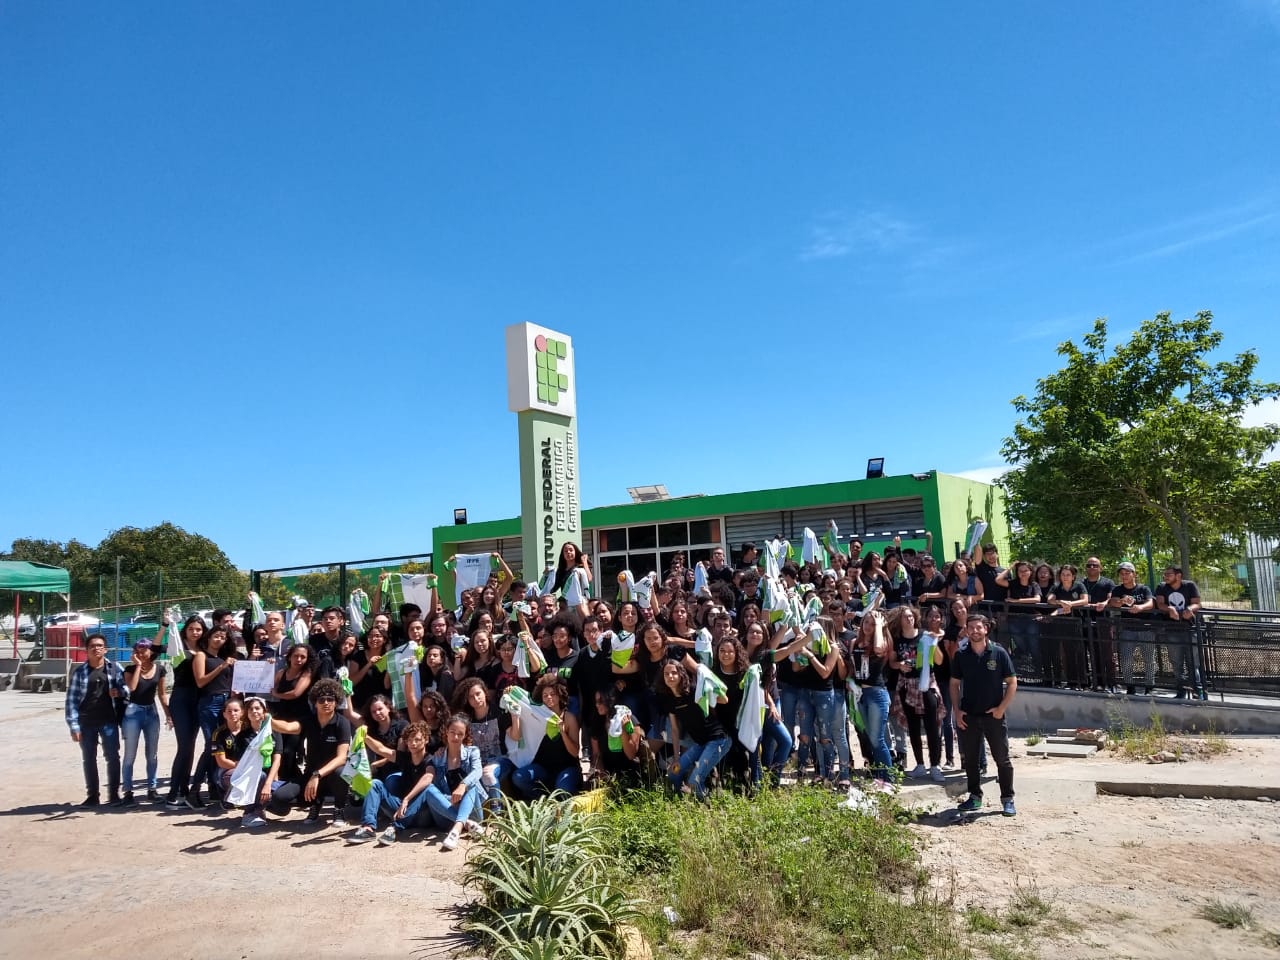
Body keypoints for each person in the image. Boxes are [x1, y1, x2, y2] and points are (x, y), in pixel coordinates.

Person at [950, 615, 1018, 816]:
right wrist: (956, 710)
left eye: (978, 627)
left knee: (1002, 759)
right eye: (970, 628)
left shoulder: (998, 653)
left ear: (986, 629)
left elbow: (1012, 682)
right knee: (971, 760)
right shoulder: (961, 655)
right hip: (969, 715)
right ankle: (974, 797)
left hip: (994, 716)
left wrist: (1001, 709)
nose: (974, 631)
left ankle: (1007, 799)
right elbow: (954, 684)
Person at [270, 678, 353, 826]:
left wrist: (317, 774)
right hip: (311, 774)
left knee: (341, 772)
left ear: (336, 701)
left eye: (330, 699)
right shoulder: (309, 720)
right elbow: (288, 727)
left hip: (331, 774)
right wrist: (267, 719)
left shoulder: (342, 723)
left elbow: (342, 758)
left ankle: (339, 809)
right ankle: (315, 804)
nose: (326, 703)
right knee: (279, 797)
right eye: (321, 700)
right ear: (315, 702)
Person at [347, 720, 436, 846]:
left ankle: (394, 828)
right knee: (375, 784)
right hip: (401, 809)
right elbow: (381, 749)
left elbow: (428, 777)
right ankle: (368, 828)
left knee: (428, 789)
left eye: (417, 740)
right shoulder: (405, 757)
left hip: (422, 814)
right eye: (410, 740)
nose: (413, 743)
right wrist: (364, 736)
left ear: (426, 740)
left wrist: (407, 798)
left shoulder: (430, 760)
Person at [65, 633, 128, 807]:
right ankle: (93, 795)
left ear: (105, 649)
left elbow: (128, 689)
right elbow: (71, 701)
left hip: (109, 721)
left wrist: (120, 692)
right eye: (92, 646)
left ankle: (114, 794)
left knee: (113, 757)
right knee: (89, 759)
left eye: (100, 645)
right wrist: (74, 726)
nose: (96, 648)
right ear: (87, 650)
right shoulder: (80, 673)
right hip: (86, 723)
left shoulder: (115, 668)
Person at [658, 660, 730, 801]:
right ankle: (680, 804)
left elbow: (724, 699)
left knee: (695, 781)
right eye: (666, 674)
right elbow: (674, 729)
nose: (670, 676)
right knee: (673, 774)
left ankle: (707, 811)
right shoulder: (669, 700)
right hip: (700, 743)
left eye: (674, 673)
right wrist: (676, 758)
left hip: (718, 739)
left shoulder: (693, 690)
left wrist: (711, 687)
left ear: (681, 675)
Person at [510, 673, 583, 799]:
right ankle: (542, 799)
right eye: (545, 695)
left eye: (553, 694)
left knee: (563, 791)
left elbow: (575, 753)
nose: (549, 698)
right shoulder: (537, 718)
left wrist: (563, 733)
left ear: (560, 695)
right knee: (518, 777)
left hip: (567, 768)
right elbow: (523, 703)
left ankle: (560, 797)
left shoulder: (569, 718)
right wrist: (511, 692)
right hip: (543, 769)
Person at [189, 625, 237, 808]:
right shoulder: (201, 656)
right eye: (216, 636)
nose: (219, 639)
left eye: (223, 637)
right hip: (210, 703)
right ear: (208, 638)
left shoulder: (221, 658)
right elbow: (201, 681)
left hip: (225, 702)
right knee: (212, 746)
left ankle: (218, 789)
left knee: (222, 746)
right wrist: (222, 667)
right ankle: (195, 789)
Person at [164, 614, 207, 809]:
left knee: (190, 747)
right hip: (181, 698)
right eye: (191, 629)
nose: (195, 632)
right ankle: (172, 793)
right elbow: (156, 649)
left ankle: (183, 789)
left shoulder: (205, 648)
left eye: (198, 629)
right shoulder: (177, 646)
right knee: (184, 746)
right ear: (185, 630)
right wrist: (165, 625)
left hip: (198, 699)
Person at [121, 637, 170, 804]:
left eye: (144, 649)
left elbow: (162, 694)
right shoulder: (129, 669)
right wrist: (139, 666)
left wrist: (168, 714)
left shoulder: (160, 669)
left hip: (151, 711)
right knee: (130, 754)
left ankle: (152, 788)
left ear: (152, 652)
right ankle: (128, 791)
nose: (141, 653)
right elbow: (132, 688)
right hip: (133, 711)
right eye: (138, 650)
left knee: (152, 753)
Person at [1155, 566, 1204, 700]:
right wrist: (1170, 609)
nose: (1165, 577)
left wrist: (1190, 609)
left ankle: (1197, 691)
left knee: (1193, 663)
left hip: (1190, 629)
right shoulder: (1162, 587)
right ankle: (1181, 690)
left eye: (1169, 574)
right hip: (1172, 630)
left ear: (1178, 575)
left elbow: (1197, 604)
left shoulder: (1189, 585)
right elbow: (1160, 603)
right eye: (1164, 574)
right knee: (1176, 663)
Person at [1110, 562, 1157, 696]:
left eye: (1127, 573)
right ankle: (1130, 685)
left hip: (1146, 629)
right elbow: (1112, 602)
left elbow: (1150, 602)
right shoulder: (1118, 590)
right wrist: (1121, 601)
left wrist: (1140, 607)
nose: (1124, 576)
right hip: (1127, 629)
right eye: (1121, 574)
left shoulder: (1143, 589)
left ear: (1134, 574)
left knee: (1148, 658)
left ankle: (1149, 685)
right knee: (1125, 659)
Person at [1081, 557, 1117, 692]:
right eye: (1089, 565)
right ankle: (1095, 682)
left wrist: (1104, 603)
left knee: (1107, 654)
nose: (1091, 568)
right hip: (1085, 622)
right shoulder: (1081, 583)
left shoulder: (1107, 582)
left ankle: (1111, 683)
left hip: (1103, 622)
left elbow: (1111, 597)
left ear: (1100, 568)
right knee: (1092, 654)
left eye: (1095, 565)